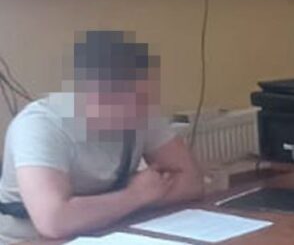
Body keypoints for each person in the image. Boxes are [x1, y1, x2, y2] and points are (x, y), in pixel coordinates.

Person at [0, 31, 204, 243]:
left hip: (112, 231)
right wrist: (136, 196)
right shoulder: (38, 126)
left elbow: (192, 182)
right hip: (29, 240)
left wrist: (100, 208)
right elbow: (54, 222)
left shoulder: (137, 110)